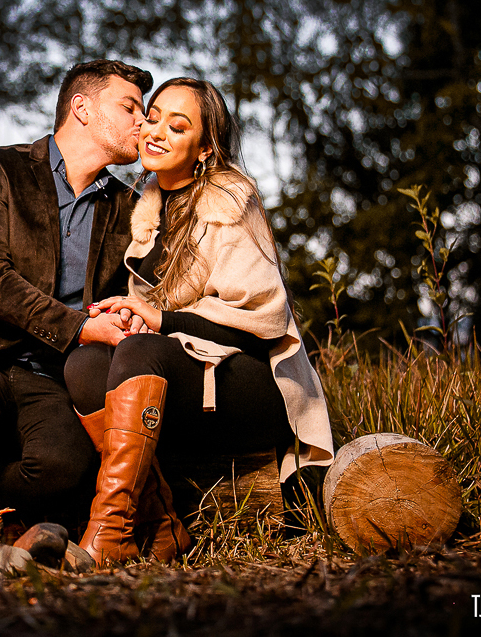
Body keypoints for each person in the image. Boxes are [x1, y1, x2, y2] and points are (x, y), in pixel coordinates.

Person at [63, 77, 335, 564]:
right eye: (154, 116)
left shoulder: (231, 198)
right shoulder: (146, 208)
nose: (156, 131)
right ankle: (164, 528)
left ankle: (110, 530)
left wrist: (159, 320)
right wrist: (128, 313)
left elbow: (260, 320)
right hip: (186, 372)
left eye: (178, 125)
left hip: (251, 382)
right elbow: (158, 322)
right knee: (83, 363)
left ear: (206, 147)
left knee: (140, 350)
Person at [0, 60, 155, 522]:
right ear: (81, 108)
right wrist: (81, 325)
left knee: (63, 469)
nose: (143, 121)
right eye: (129, 107)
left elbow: (133, 292)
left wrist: (126, 315)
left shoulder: (130, 208)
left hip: (53, 377)